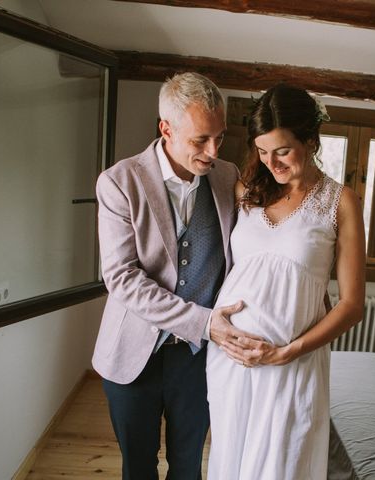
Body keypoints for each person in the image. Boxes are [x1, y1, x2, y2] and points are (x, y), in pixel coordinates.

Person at [92, 72, 262, 480]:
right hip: (133, 357)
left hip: (199, 359)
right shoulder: (119, 182)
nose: (212, 150)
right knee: (138, 468)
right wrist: (205, 323)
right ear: (166, 128)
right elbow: (122, 278)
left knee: (188, 466)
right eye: (200, 139)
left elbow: (253, 245)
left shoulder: (226, 176)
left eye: (219, 137)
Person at [206, 84, 366, 479]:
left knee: (283, 466)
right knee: (232, 464)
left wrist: (288, 352)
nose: (271, 163)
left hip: (294, 364)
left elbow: (352, 305)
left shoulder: (339, 202)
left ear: (311, 141)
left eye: (282, 151)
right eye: (262, 151)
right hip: (232, 361)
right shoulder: (245, 189)